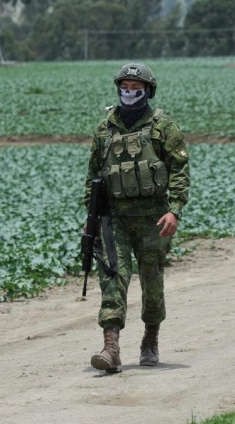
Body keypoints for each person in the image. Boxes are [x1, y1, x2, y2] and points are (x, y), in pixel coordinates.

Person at [83, 62, 190, 373]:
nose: (129, 92)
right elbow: (93, 176)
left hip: (153, 217)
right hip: (114, 217)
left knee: (152, 283)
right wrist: (90, 216)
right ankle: (111, 347)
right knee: (112, 275)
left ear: (148, 91)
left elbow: (180, 171)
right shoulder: (104, 129)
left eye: (136, 88)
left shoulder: (163, 127)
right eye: (125, 87)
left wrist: (175, 209)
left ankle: (151, 338)